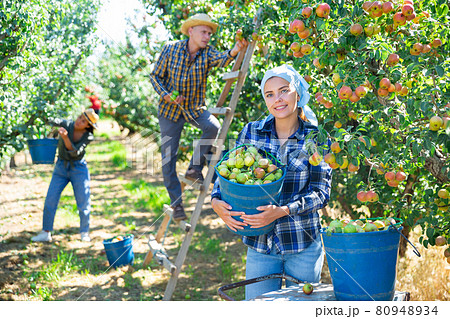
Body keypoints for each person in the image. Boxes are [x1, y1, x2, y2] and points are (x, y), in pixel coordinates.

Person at [210, 64, 332, 300]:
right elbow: (227, 174)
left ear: (298, 93)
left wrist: (281, 211)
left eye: (284, 90)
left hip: (302, 242)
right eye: (270, 94)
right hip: (260, 244)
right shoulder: (252, 132)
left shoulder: (316, 137)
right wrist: (216, 200)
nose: (278, 99)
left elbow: (321, 192)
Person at [150, 13, 248, 221]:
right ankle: (177, 205)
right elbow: (155, 76)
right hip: (170, 111)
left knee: (212, 127)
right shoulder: (171, 49)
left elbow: (223, 59)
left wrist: (236, 50)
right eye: (204, 32)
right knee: (168, 159)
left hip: (194, 107)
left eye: (210, 33)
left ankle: (195, 167)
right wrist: (166, 95)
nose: (207, 37)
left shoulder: (207, 54)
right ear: (191, 31)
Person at [31, 109, 99, 243]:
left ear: (88, 126)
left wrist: (66, 137)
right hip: (61, 167)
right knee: (51, 198)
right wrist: (40, 113)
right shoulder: (68, 124)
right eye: (80, 117)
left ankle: (84, 232)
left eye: (84, 121)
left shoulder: (87, 137)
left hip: (78, 168)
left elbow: (75, 152)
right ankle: (46, 232)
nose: (79, 121)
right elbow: (54, 120)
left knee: (83, 201)